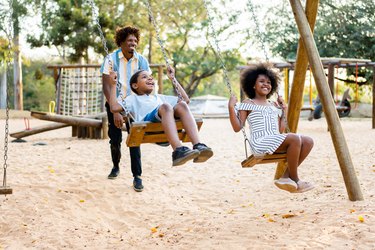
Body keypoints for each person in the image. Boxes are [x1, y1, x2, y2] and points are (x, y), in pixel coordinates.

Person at [228, 63, 314, 193]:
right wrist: (231, 107)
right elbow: (237, 127)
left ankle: (285, 177)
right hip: (260, 142)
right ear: (253, 85)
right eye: (261, 81)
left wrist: (283, 110)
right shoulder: (248, 103)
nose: (266, 84)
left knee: (308, 141)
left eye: (268, 82)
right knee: (295, 138)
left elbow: (280, 131)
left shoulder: (274, 105)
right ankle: (295, 178)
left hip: (274, 139)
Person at [108, 65, 214, 167]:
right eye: (144, 77)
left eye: (150, 77)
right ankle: (178, 150)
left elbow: (186, 100)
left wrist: (173, 79)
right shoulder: (132, 99)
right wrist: (113, 85)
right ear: (135, 85)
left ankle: (198, 145)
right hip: (149, 125)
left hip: (164, 124)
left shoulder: (158, 97)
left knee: (181, 105)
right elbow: (113, 108)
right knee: (166, 107)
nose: (150, 79)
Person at [101, 26, 151, 192]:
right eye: (129, 40)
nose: (133, 43)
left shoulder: (141, 60)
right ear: (121, 42)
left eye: (135, 40)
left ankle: (137, 176)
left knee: (134, 139)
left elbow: (146, 84)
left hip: (133, 104)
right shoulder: (110, 59)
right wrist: (115, 110)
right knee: (115, 138)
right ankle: (115, 166)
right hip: (114, 101)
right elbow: (106, 86)